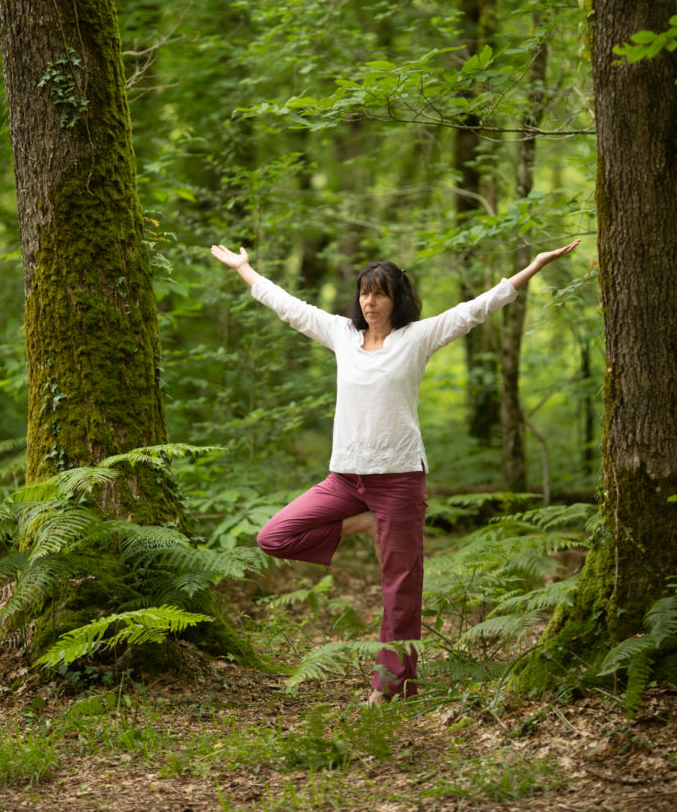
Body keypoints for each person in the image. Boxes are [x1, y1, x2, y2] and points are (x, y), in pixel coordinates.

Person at [210, 238, 580, 704]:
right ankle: (365, 524)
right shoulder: (342, 335)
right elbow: (291, 308)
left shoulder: (417, 338)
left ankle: (393, 689)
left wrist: (532, 266)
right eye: (365, 292)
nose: (370, 301)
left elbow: (474, 309)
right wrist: (245, 269)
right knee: (274, 537)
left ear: (396, 299)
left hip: (401, 478)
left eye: (381, 293)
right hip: (346, 478)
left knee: (400, 590)